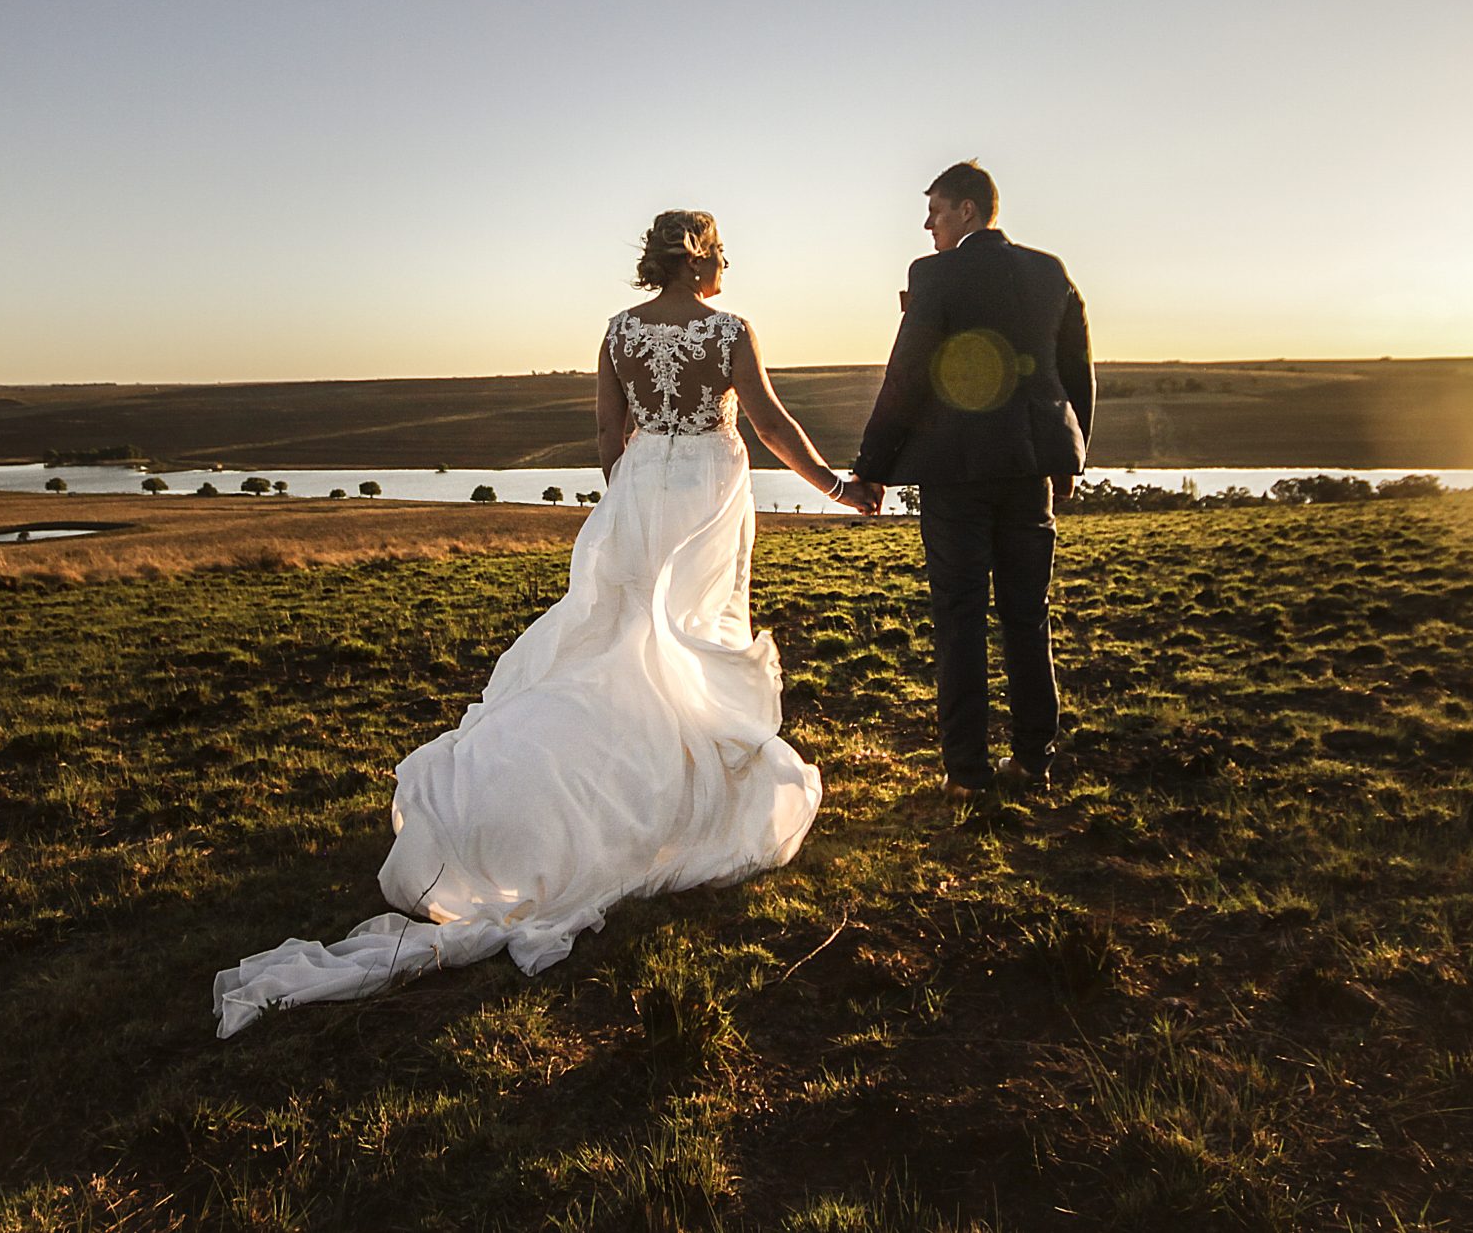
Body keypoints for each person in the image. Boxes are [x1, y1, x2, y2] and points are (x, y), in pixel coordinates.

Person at [215, 210, 865, 1036]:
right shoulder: (730, 329)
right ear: (705, 260)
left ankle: (588, 783)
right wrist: (836, 486)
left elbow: (607, 431)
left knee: (621, 636)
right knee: (692, 638)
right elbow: (769, 421)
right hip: (707, 491)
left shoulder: (618, 333)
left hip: (640, 490)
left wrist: (628, 493)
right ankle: (680, 792)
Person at [849, 161, 1093, 800]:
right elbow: (1074, 370)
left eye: (934, 209)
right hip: (1030, 466)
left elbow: (906, 375)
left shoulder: (935, 275)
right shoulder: (1049, 271)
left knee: (959, 617)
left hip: (955, 472)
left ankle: (966, 773)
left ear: (965, 210)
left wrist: (872, 468)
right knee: (1026, 613)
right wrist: (1066, 458)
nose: (927, 224)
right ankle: (1036, 761)